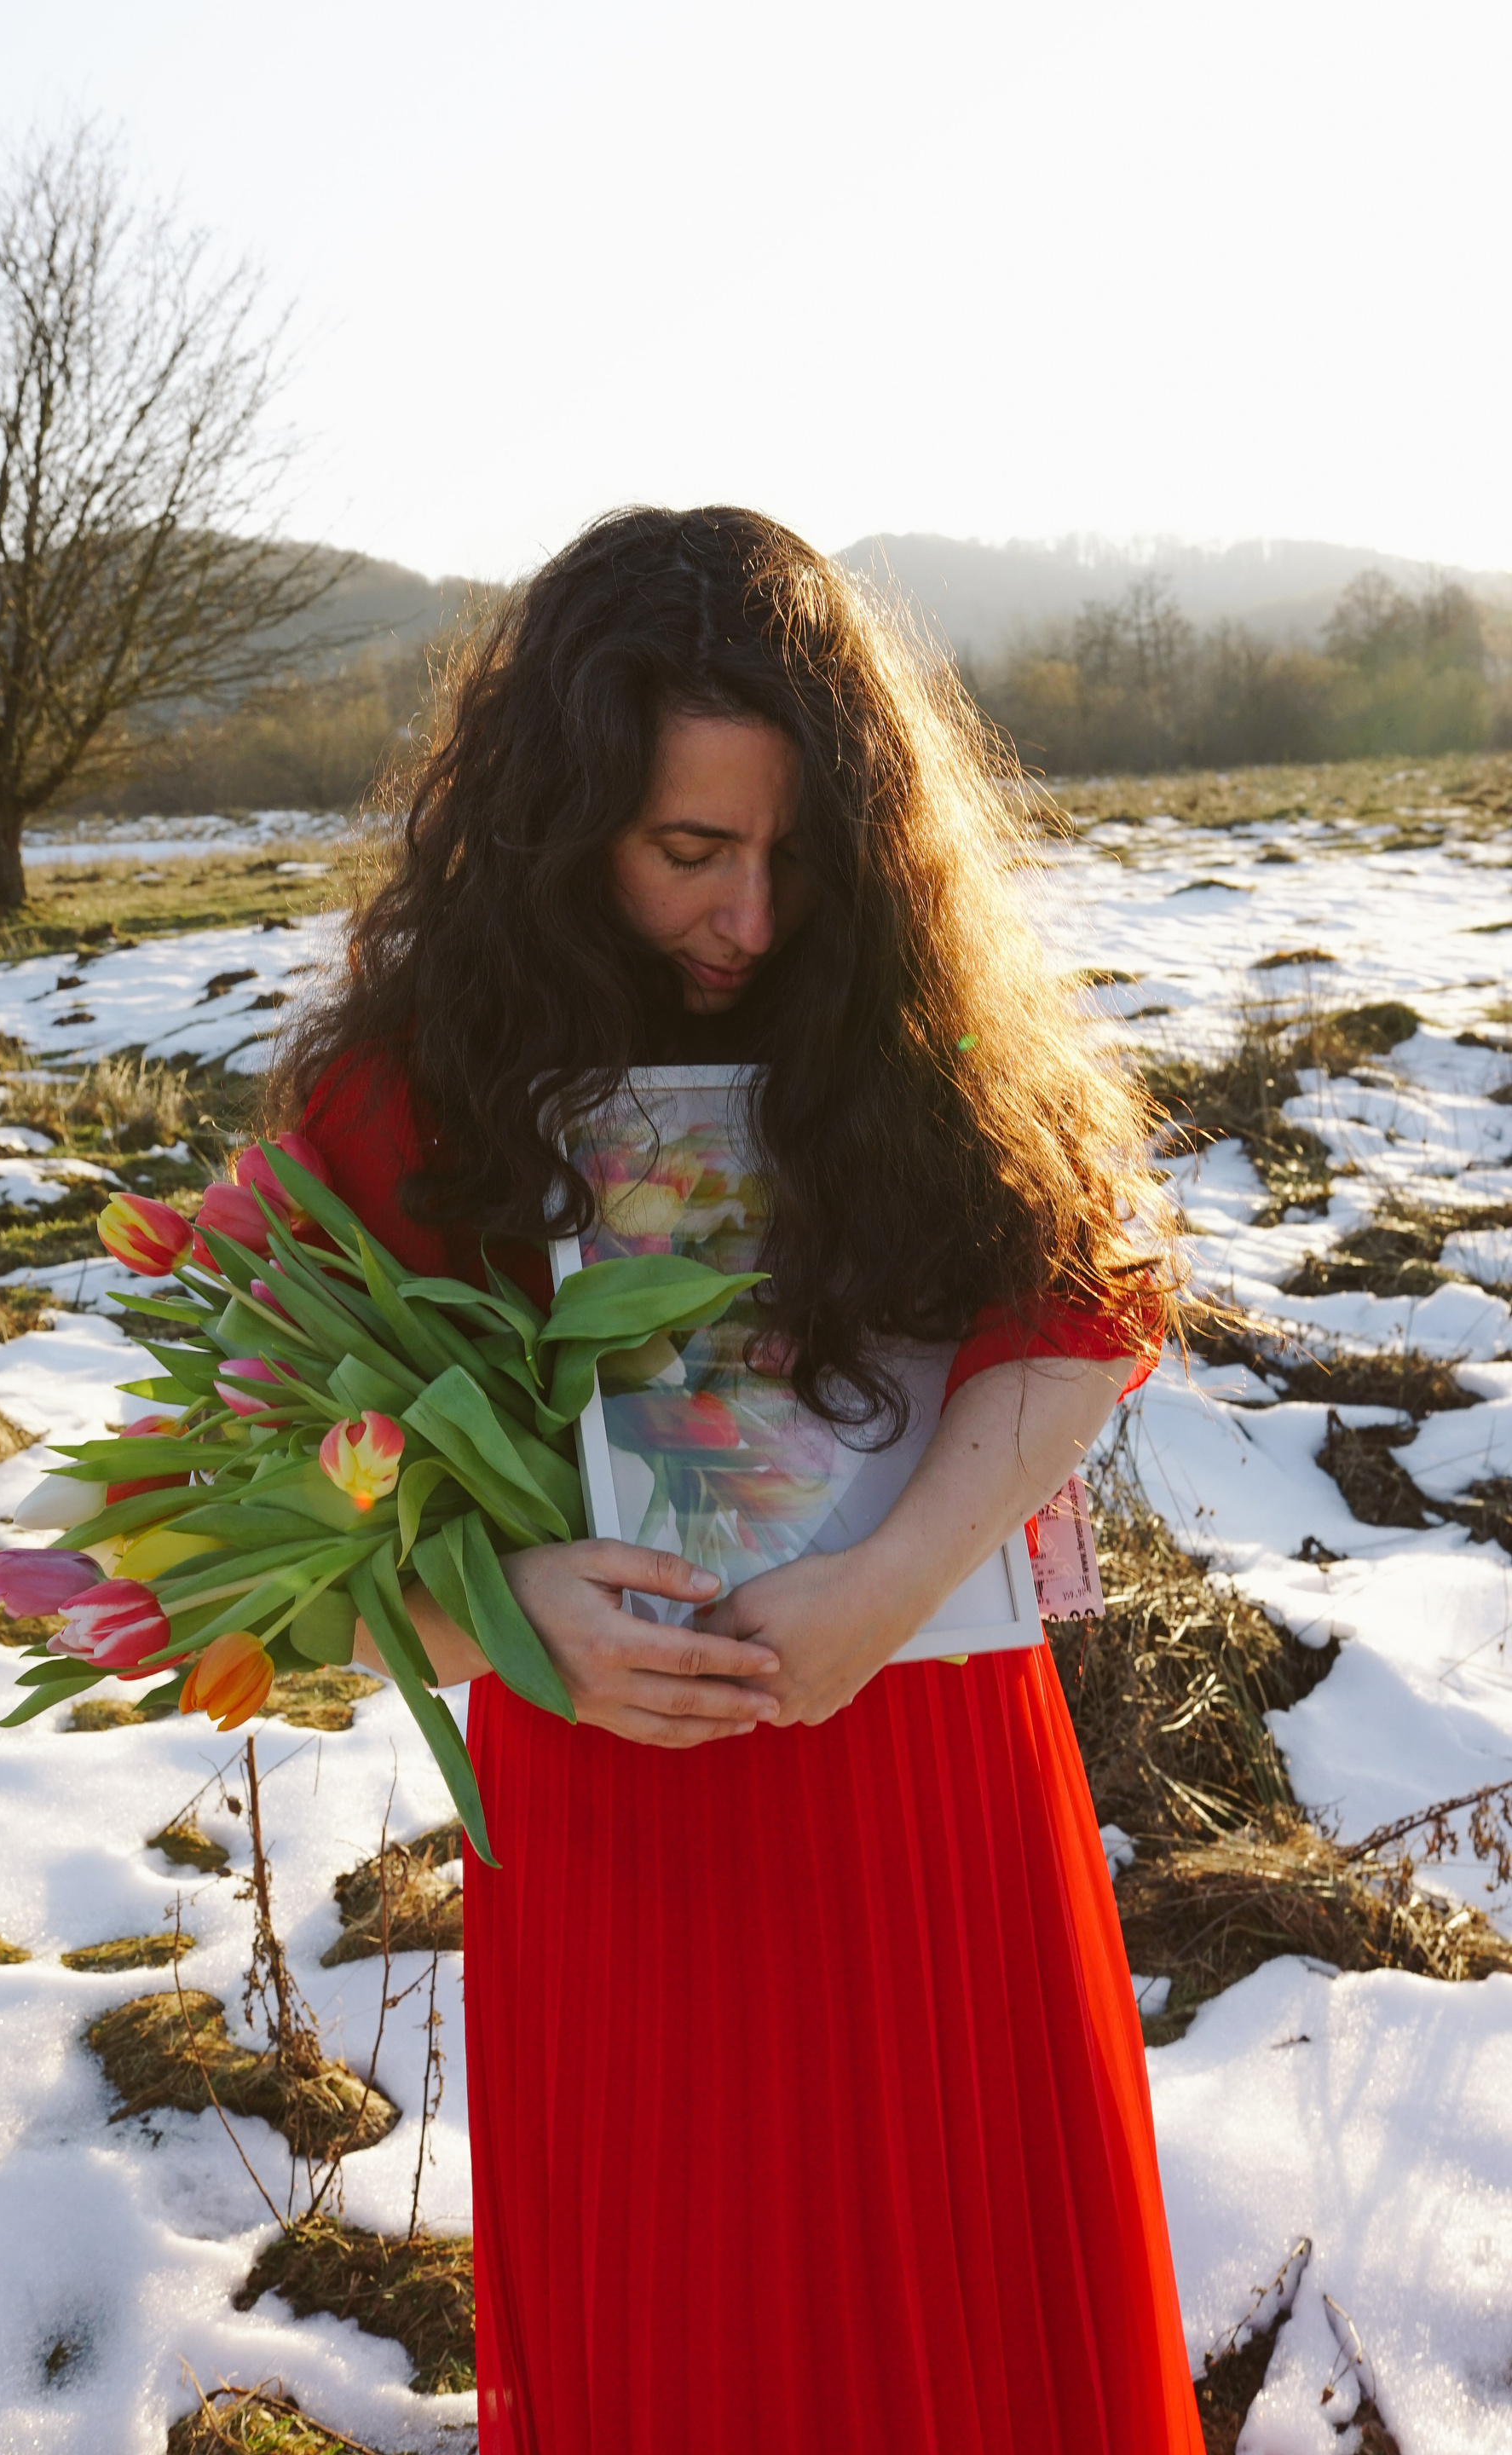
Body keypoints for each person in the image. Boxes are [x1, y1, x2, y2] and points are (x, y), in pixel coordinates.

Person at [276, 505, 1201, 2455]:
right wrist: (500, 1614)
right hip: (628, 1821)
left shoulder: (913, 1021)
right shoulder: (409, 1088)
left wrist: (890, 1581)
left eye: (797, 856)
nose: (752, 922)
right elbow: (288, 1511)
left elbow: (1089, 1307)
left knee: (980, 2328)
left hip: (934, 1785)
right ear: (557, 828)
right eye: (689, 852)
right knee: (697, 2343)